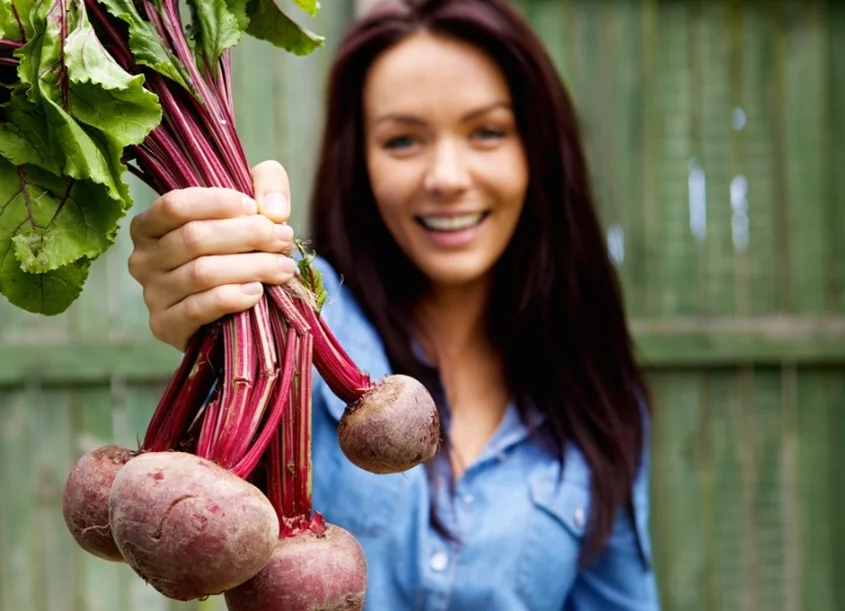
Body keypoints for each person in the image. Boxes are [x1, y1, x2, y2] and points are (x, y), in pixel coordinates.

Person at [126, 0, 660, 608]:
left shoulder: (595, 393)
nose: (447, 177)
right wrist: (206, 294)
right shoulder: (290, 311)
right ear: (361, 163)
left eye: (487, 131)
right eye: (403, 140)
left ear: (538, 151)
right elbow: (228, 314)